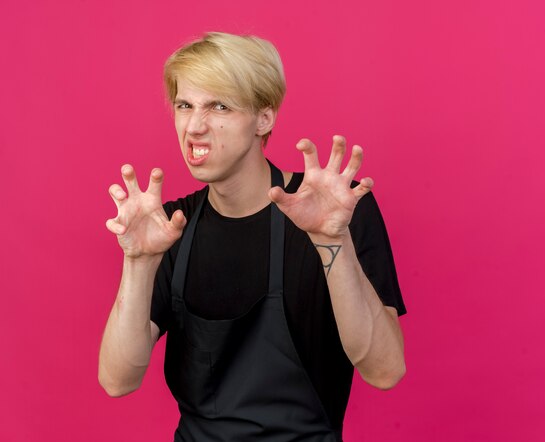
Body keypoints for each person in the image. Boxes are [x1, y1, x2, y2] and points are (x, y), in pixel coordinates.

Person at [98, 32, 406, 442]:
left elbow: (385, 371)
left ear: (265, 118)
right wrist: (138, 264)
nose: (194, 126)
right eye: (185, 105)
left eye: (219, 106)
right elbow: (118, 379)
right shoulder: (170, 226)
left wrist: (333, 241)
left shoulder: (334, 211)